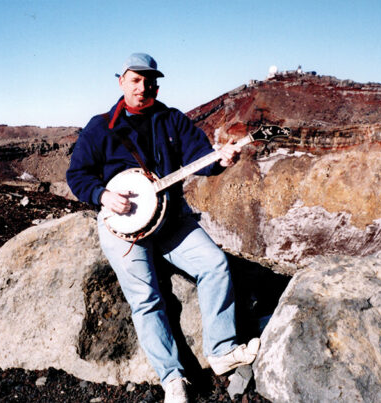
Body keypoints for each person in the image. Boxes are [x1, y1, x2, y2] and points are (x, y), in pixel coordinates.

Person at [66, 53, 260, 403]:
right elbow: (76, 175)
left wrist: (223, 161)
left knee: (215, 265)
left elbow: (200, 160)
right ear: (121, 82)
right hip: (121, 228)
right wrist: (103, 195)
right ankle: (172, 379)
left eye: (149, 81)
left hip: (170, 220)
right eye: (135, 80)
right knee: (146, 299)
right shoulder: (100, 128)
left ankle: (221, 351)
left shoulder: (172, 121)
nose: (143, 88)